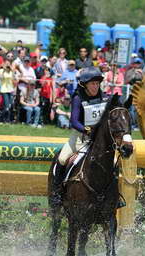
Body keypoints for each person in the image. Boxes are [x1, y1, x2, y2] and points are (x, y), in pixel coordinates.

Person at [51, 67, 109, 205]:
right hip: (80, 138)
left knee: (111, 162)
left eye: (97, 83)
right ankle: (57, 193)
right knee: (62, 159)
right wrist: (88, 130)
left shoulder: (104, 97)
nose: (95, 86)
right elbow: (74, 121)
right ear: (85, 85)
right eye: (92, 84)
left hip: (99, 140)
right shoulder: (78, 98)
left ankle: (113, 196)